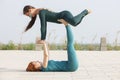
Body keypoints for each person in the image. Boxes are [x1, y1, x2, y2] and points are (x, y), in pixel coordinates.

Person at [23, 5, 91, 42]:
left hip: (64, 15)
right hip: (63, 17)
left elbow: (43, 26)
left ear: (30, 10)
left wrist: (43, 39)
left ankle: (85, 11)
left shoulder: (41, 12)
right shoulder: (40, 13)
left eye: (28, 15)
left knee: (74, 22)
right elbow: (44, 25)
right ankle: (84, 14)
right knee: (75, 24)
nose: (30, 16)